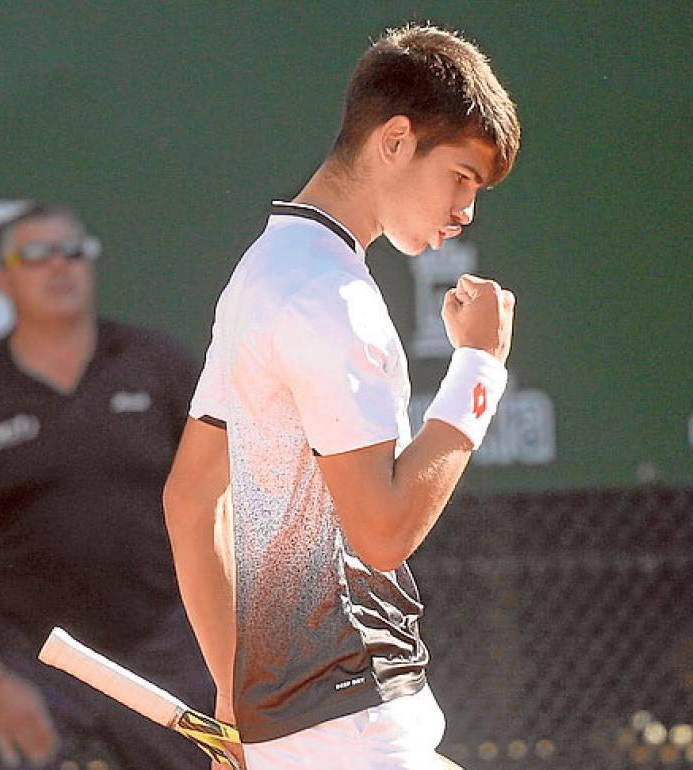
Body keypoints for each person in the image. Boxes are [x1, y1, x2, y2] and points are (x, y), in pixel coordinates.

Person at [163, 24, 521, 770]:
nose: (467, 211)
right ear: (395, 141)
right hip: (356, 732)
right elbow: (383, 532)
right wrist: (479, 368)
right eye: (461, 176)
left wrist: (239, 703)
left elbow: (190, 504)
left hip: (315, 734)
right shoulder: (331, 298)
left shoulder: (263, 273)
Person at [0, 203, 214, 770]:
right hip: (34, 664)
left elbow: (225, 496)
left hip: (165, 651)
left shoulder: (157, 367)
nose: (58, 267)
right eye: (36, 255)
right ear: (0, 280)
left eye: (72, 251)